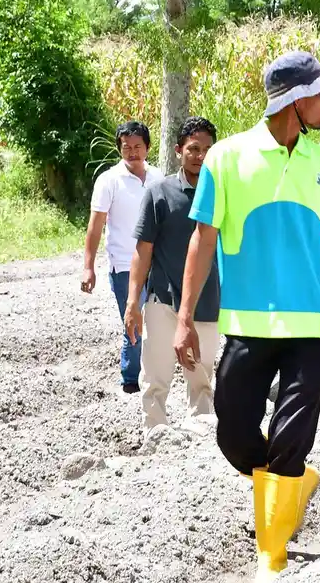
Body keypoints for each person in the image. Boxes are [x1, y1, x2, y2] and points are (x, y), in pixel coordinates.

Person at [175, 51, 320, 582]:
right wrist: (186, 316)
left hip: (309, 325)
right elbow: (202, 239)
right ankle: (290, 490)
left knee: (291, 436)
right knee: (233, 434)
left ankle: (271, 551)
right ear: (295, 101)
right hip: (246, 324)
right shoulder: (227, 158)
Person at [123, 117, 219, 431]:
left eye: (207, 149)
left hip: (207, 302)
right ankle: (155, 436)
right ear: (179, 150)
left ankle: (200, 439)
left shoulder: (221, 195)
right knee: (155, 377)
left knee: (202, 377)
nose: (200, 155)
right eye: (193, 148)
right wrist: (132, 301)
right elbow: (143, 250)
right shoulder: (159, 193)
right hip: (162, 301)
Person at [82, 121, 166, 393]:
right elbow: (95, 226)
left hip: (157, 264)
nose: (132, 153)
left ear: (148, 148)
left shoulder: (158, 178)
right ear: (119, 149)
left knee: (159, 320)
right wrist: (88, 267)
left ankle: (154, 374)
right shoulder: (109, 181)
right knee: (133, 320)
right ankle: (130, 379)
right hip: (123, 265)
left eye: (138, 147)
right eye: (126, 148)